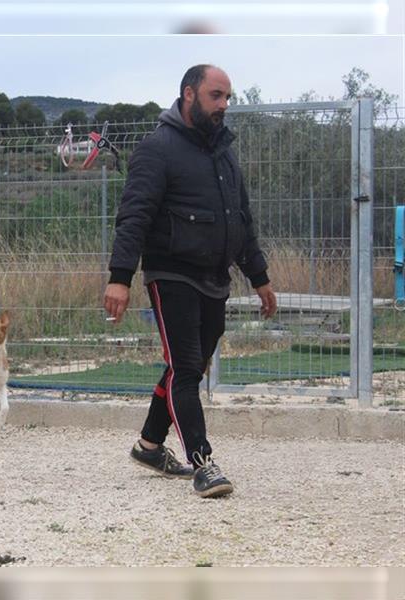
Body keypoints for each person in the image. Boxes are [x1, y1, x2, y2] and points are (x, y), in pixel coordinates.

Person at [103, 64, 277, 498]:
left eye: (227, 98)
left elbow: (240, 221)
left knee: (190, 366)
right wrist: (120, 278)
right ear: (188, 94)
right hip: (171, 273)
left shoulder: (223, 153)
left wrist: (259, 276)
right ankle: (203, 463)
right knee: (185, 367)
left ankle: (148, 445)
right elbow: (133, 217)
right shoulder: (157, 149)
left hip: (213, 277)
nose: (224, 105)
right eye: (216, 96)